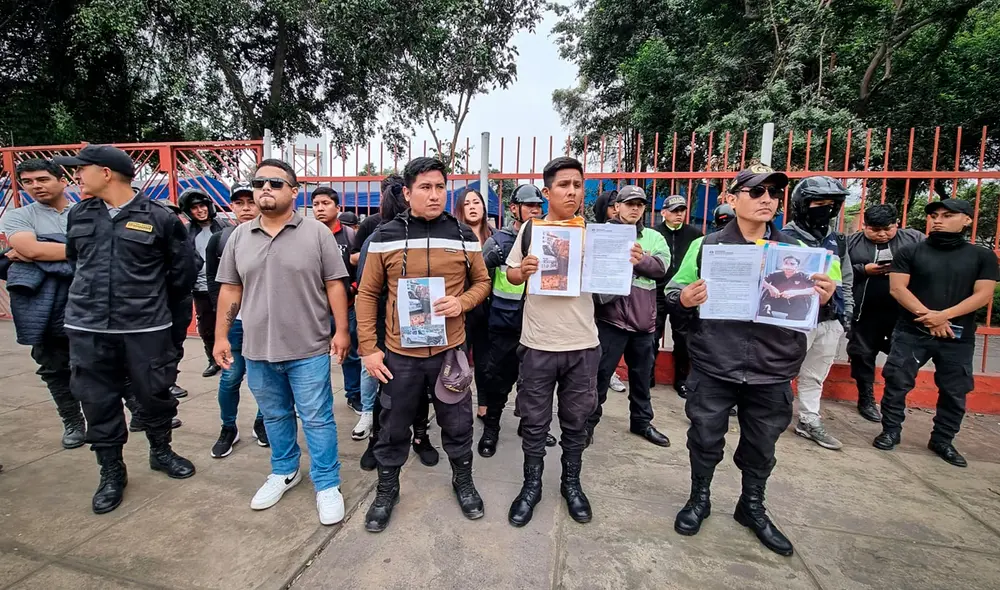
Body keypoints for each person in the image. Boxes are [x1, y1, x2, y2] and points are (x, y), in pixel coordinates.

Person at [664, 165, 837, 556]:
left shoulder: (798, 253)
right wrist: (684, 298)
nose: (766, 200)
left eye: (774, 193)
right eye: (756, 192)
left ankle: (752, 506)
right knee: (705, 437)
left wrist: (823, 298)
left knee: (762, 444)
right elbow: (674, 290)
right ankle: (700, 499)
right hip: (716, 361)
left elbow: (825, 306)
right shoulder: (708, 246)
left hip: (772, 366)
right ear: (733, 197)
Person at [54, 145, 199, 515]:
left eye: (81, 169)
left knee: (154, 393)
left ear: (105, 173)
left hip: (145, 327)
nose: (76, 176)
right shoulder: (79, 214)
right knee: (96, 400)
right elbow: (76, 262)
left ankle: (161, 450)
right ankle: (111, 470)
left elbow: (182, 274)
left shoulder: (160, 217)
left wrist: (158, 313)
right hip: (88, 326)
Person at [504, 157, 645, 528]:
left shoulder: (598, 233)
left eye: (578, 185)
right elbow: (512, 275)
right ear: (547, 192)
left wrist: (628, 260)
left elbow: (613, 283)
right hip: (537, 342)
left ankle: (571, 483)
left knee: (576, 420)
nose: (572, 191)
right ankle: (531, 486)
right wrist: (524, 270)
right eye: (563, 185)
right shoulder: (532, 230)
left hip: (582, 342)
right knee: (534, 422)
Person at [213, 158, 352, 525]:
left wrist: (342, 331)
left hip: (307, 346)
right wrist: (220, 337)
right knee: (274, 415)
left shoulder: (316, 233)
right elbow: (230, 289)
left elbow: (335, 284)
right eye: (259, 184)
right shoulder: (239, 236)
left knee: (317, 419)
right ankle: (285, 470)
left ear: (294, 191)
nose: (265, 190)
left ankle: (327, 483)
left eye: (275, 184)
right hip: (257, 349)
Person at [357, 157, 491, 533]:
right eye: (425, 187)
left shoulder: (463, 236)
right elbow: (367, 294)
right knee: (393, 425)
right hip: (401, 355)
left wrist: (462, 302)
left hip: (451, 352)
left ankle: (462, 481)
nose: (434, 195)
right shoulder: (384, 236)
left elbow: (483, 283)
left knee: (458, 421)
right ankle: (386, 490)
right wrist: (369, 347)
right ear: (407, 192)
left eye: (439, 187)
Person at [874, 198, 999, 468]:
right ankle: (890, 430)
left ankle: (943, 440)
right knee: (897, 383)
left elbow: (984, 294)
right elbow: (898, 289)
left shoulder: (981, 256)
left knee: (955, 391)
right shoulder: (911, 252)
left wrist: (944, 316)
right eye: (934, 215)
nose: (938, 219)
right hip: (911, 331)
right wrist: (929, 317)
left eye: (948, 215)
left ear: (966, 220)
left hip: (957, 335)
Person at [2, 159, 86, 449]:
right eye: (28, 182)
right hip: (42, 304)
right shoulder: (19, 216)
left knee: (108, 362)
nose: (35, 186)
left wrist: (42, 251)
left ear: (62, 180)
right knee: (54, 367)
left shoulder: (83, 212)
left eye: (42, 179)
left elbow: (108, 250)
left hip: (87, 299)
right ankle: (73, 422)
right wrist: (82, 249)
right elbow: (30, 247)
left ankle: (134, 415)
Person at [589, 186, 671, 447]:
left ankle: (642, 422)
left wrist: (640, 260)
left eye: (640, 204)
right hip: (609, 320)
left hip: (643, 323)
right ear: (618, 207)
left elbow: (662, 267)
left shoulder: (654, 238)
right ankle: (588, 424)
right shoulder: (601, 234)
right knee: (599, 377)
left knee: (641, 378)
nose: (634, 208)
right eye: (629, 203)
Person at [780, 176, 853, 451]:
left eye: (831, 204)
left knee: (814, 375)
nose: (825, 209)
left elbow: (846, 281)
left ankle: (809, 420)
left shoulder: (838, 241)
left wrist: (846, 314)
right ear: (801, 204)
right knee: (780, 371)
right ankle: (769, 414)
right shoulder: (784, 238)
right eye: (818, 203)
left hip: (828, 320)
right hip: (795, 320)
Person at [476, 184, 545, 457]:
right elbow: (478, 277)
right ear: (514, 209)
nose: (535, 210)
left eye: (539, 206)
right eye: (529, 206)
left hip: (538, 325)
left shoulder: (549, 238)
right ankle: (491, 428)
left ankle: (529, 427)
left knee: (534, 384)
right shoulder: (499, 243)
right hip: (504, 326)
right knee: (498, 382)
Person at [846, 203, 924, 422]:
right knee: (862, 355)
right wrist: (864, 269)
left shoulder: (914, 239)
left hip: (902, 313)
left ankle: (894, 402)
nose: (881, 235)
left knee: (902, 358)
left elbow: (928, 263)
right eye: (874, 230)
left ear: (897, 224)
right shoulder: (851, 243)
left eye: (887, 229)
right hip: (864, 313)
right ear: (864, 226)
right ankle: (866, 398)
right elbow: (837, 269)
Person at [206, 182, 267, 458]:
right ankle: (228, 428)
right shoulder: (222, 239)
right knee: (230, 378)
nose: (245, 208)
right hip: (236, 324)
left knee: (265, 380)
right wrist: (221, 327)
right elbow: (214, 284)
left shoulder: (274, 236)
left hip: (265, 325)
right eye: (239, 203)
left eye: (249, 202)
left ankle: (262, 421)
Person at [311, 187, 363, 419]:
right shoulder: (307, 235)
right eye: (316, 204)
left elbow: (361, 269)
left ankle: (354, 395)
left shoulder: (350, 236)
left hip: (346, 307)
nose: (320, 208)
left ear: (337, 208)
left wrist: (351, 290)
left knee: (349, 354)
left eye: (325, 203)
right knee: (313, 357)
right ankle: (316, 399)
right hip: (314, 310)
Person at [652, 194, 703, 394]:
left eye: (681, 210)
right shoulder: (654, 233)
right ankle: (648, 376)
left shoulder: (695, 235)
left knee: (683, 338)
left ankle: (681, 379)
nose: (678, 214)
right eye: (674, 211)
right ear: (663, 212)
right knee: (652, 336)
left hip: (684, 293)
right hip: (657, 291)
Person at [178, 188, 229, 377]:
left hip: (224, 285)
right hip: (200, 289)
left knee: (231, 325)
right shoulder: (186, 232)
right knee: (207, 328)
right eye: (194, 208)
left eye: (202, 206)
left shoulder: (223, 226)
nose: (200, 211)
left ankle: (235, 358)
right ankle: (212, 360)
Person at [455, 187, 495, 420]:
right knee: (458, 360)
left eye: (476, 202)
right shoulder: (453, 237)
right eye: (467, 203)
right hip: (461, 308)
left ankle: (484, 404)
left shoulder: (495, 237)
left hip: (490, 309)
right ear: (460, 209)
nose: (472, 206)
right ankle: (458, 405)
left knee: (485, 361)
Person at [591, 188, 627, 393]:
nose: (616, 210)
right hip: (595, 300)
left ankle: (611, 374)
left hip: (617, 300)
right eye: (612, 206)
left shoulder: (630, 234)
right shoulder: (593, 231)